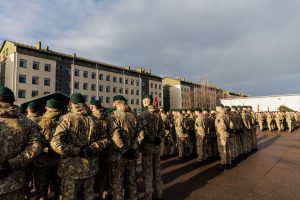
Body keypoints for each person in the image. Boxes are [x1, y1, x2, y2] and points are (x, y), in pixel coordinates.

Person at [50, 93, 107, 200]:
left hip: (70, 170)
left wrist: (75, 150)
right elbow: (105, 140)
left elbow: (55, 143)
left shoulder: (66, 119)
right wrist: (92, 148)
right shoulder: (95, 119)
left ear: (71, 104)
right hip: (90, 168)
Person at [0, 86, 42, 199]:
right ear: (13, 101)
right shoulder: (26, 122)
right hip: (14, 183)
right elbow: (36, 146)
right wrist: (13, 163)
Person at [108, 95, 140, 200]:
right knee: (131, 181)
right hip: (131, 155)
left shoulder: (113, 116)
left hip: (119, 156)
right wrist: (133, 148)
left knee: (118, 182)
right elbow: (141, 133)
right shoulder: (133, 116)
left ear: (115, 103)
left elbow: (115, 136)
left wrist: (124, 150)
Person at [33, 99, 62, 200]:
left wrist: (45, 148)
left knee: (41, 192)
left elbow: (34, 142)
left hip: (42, 162)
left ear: (46, 108)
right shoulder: (63, 121)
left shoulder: (39, 122)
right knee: (59, 189)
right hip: (59, 160)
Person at [138, 94, 164, 200]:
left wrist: (150, 139)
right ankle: (159, 192)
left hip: (147, 148)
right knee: (157, 170)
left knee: (148, 172)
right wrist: (158, 138)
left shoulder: (143, 115)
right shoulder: (157, 115)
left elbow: (142, 132)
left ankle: (148, 195)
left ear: (145, 102)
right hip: (157, 147)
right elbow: (163, 130)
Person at [89, 99, 110, 200]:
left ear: (92, 107)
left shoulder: (91, 119)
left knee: (93, 176)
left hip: (94, 152)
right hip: (107, 151)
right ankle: (104, 193)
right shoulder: (108, 117)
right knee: (104, 174)